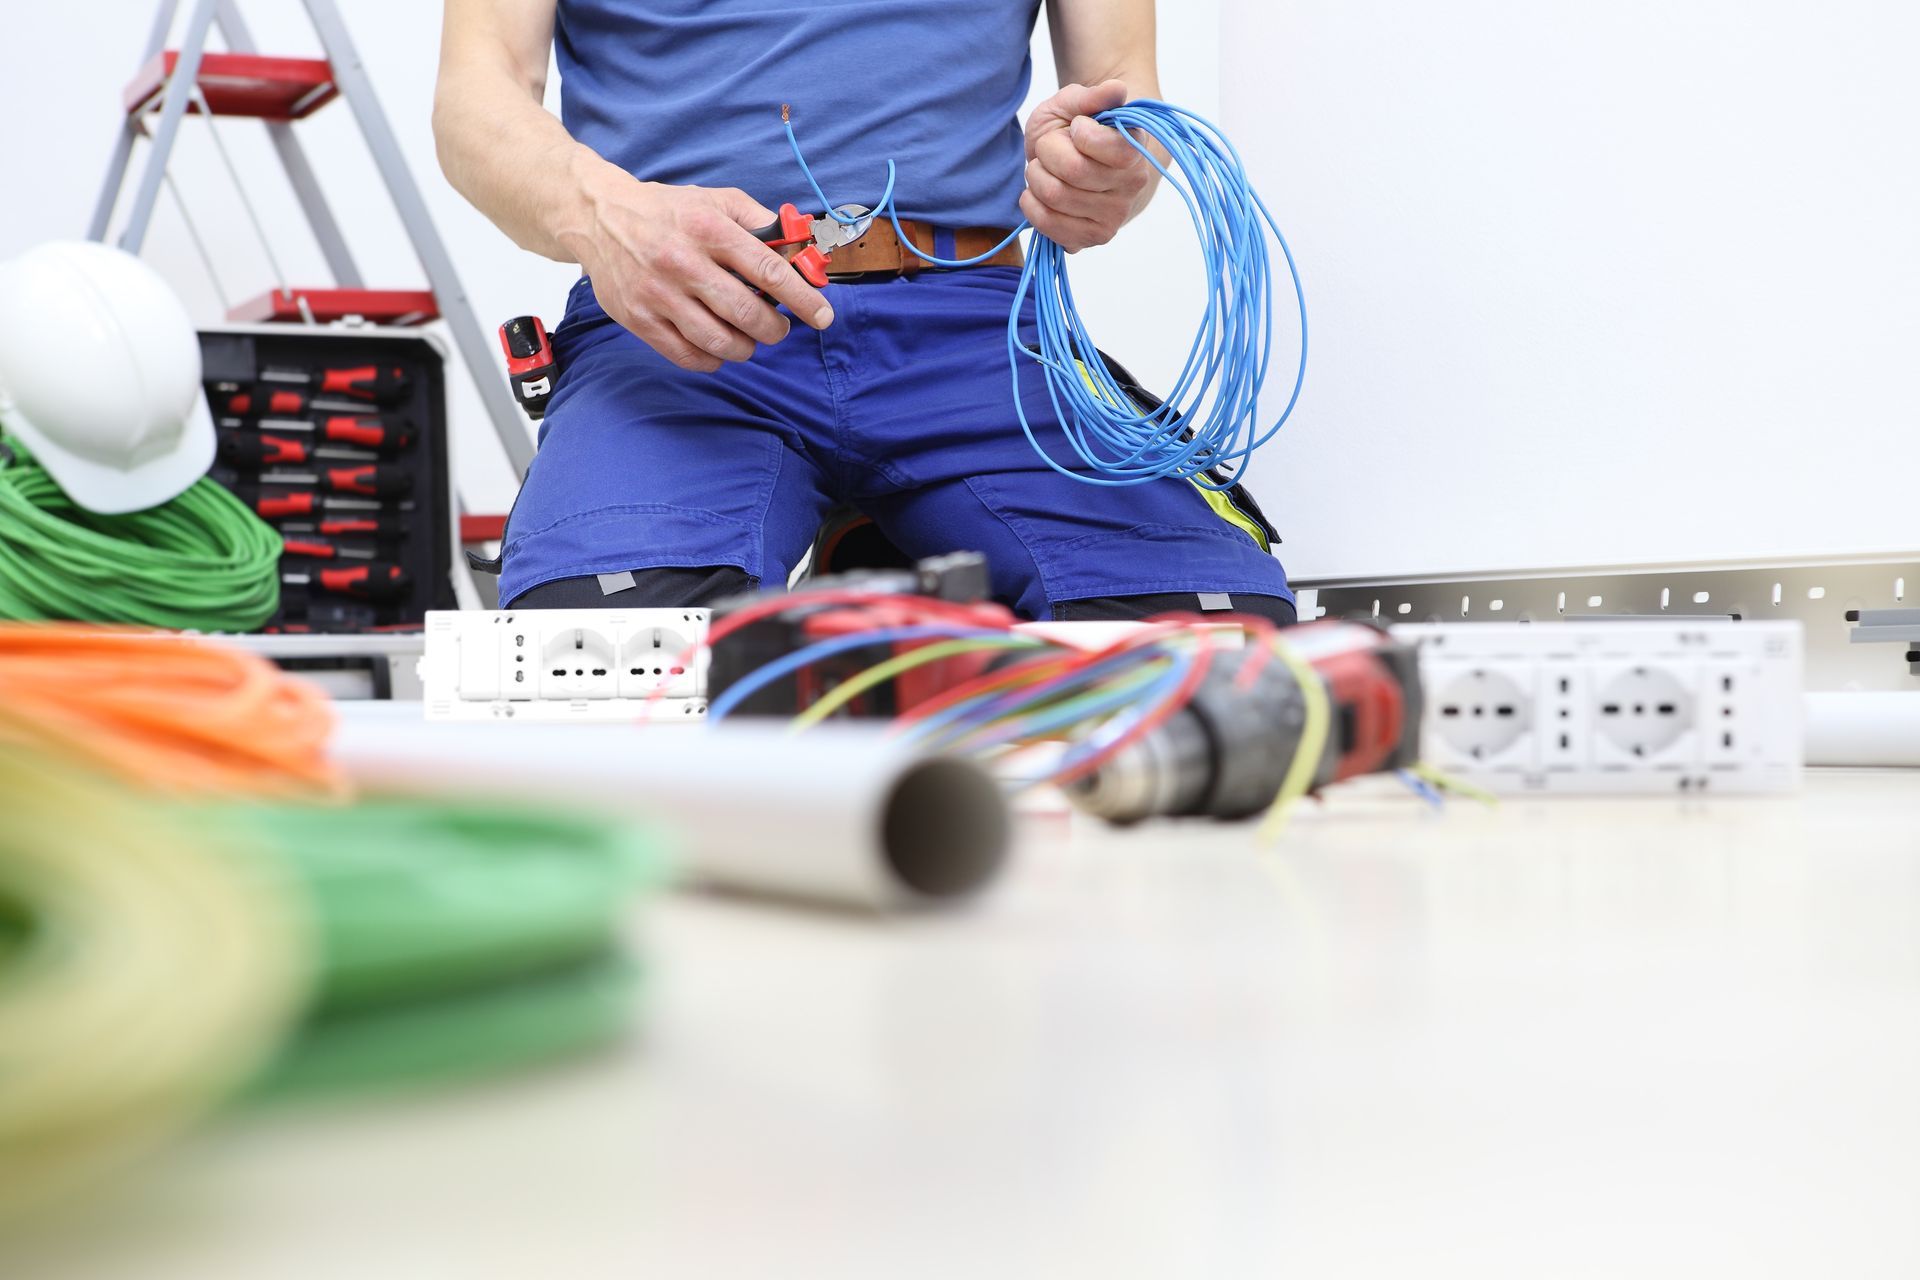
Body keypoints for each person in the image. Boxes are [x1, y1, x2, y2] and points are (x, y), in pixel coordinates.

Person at [433, 0, 1296, 622]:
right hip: (688, 323)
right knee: (606, 650)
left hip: (977, 336)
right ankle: (897, 549)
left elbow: (1120, 91)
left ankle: (886, 555)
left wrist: (1108, 166)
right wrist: (600, 215)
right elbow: (478, 94)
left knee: (1216, 642)